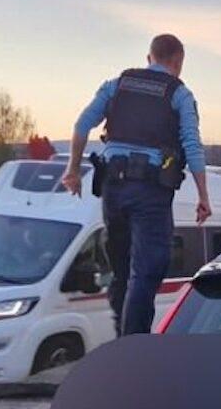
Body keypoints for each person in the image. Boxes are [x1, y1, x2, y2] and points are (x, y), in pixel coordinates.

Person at [61, 33, 211, 336]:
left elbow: (81, 125)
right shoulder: (180, 94)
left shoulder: (116, 85)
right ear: (178, 62)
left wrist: (73, 170)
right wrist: (203, 196)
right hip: (150, 192)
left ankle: (122, 338)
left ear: (148, 58)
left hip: (113, 189)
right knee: (146, 271)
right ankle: (132, 347)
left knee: (121, 270)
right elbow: (192, 146)